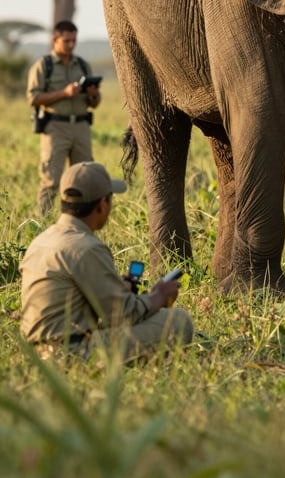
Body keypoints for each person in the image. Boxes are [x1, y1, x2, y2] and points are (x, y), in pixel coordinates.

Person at [20, 161, 193, 363]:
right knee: (179, 321)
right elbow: (124, 314)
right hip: (70, 354)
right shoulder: (87, 247)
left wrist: (115, 288)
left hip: (35, 353)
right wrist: (158, 296)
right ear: (103, 205)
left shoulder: (41, 241)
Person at [26, 20, 102, 216]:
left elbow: (93, 104)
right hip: (55, 127)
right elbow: (32, 98)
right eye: (66, 41)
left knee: (83, 178)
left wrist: (93, 94)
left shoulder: (83, 65)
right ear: (55, 39)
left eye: (74, 41)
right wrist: (64, 93)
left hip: (81, 126)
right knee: (51, 180)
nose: (71, 45)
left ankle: (80, 223)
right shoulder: (44, 65)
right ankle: (42, 224)